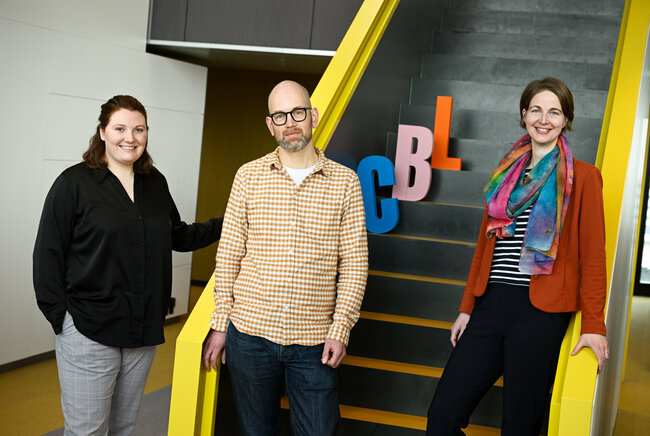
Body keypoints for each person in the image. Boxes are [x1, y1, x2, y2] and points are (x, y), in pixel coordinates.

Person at [425, 77, 609, 435]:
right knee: (442, 415)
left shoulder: (585, 178)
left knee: (520, 426)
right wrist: (467, 307)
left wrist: (594, 326)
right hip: (491, 304)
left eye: (554, 111)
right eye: (536, 109)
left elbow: (593, 257)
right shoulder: (505, 174)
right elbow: (484, 246)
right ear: (524, 114)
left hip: (540, 314)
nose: (544, 119)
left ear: (566, 119)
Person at [33, 95, 223, 436]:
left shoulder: (154, 182)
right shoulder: (73, 184)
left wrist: (231, 222)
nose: (130, 138)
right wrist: (61, 319)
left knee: (123, 428)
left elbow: (176, 236)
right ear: (103, 132)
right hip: (89, 329)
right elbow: (48, 254)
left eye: (139, 129)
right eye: (120, 128)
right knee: (87, 431)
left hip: (141, 331)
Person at [202, 80, 368, 435]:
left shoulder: (346, 183)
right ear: (270, 124)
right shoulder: (248, 176)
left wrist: (341, 329)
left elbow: (354, 265)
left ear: (313, 116)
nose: (290, 122)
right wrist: (220, 325)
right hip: (249, 336)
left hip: (315, 343)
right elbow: (229, 254)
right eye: (280, 115)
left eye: (297, 112)